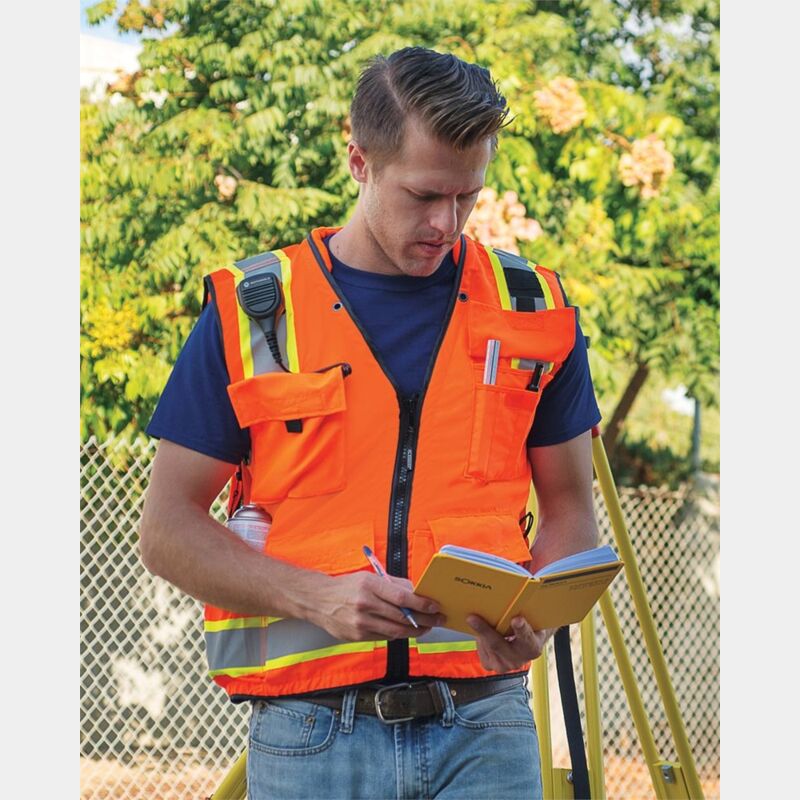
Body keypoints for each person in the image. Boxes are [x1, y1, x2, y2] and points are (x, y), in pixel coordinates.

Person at [140, 46, 601, 799]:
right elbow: (166, 531)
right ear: (359, 161)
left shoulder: (532, 308)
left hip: (488, 726)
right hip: (310, 735)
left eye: (468, 196)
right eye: (424, 194)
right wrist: (314, 597)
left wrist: (536, 616)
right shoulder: (254, 311)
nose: (446, 222)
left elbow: (572, 511)